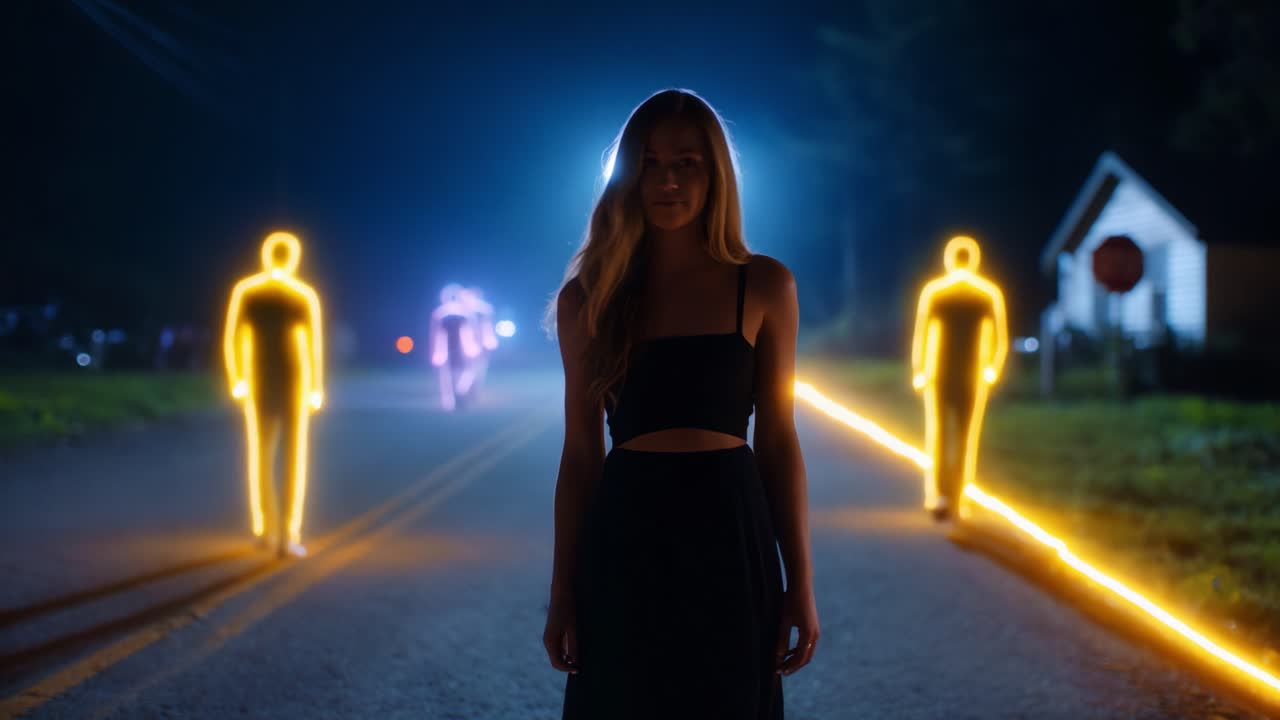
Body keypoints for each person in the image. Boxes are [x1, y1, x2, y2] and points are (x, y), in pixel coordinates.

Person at [542, 89, 818, 719]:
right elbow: (581, 456)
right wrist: (562, 592)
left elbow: (778, 442)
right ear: (626, 176)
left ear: (714, 173)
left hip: (729, 530)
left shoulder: (765, 284)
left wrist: (798, 582)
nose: (666, 180)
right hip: (628, 531)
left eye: (686, 162)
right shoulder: (589, 299)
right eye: (649, 162)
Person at [223, 231, 325, 558]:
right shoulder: (298, 295)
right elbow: (313, 350)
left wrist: (238, 377)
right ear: (291, 258)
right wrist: (315, 387)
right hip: (287, 380)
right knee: (289, 458)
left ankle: (270, 530)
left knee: (265, 457)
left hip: (266, 380)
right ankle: (282, 534)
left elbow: (232, 339)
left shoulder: (252, 292)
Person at [910, 235, 1008, 522]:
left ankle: (942, 495)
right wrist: (991, 369)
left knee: (939, 435)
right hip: (969, 375)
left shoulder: (939, 292)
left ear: (949, 260)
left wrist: (920, 370)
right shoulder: (985, 294)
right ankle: (956, 496)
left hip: (942, 373)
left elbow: (921, 335)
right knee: (965, 438)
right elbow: (1001, 339)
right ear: (974, 260)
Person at [430, 284, 482, 411]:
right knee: (467, 371)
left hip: (449, 348)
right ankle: (459, 392)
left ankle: (451, 399)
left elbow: (437, 334)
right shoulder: (464, 313)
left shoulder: (440, 313)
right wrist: (471, 347)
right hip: (460, 348)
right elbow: (467, 332)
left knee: (449, 375)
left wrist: (438, 351)